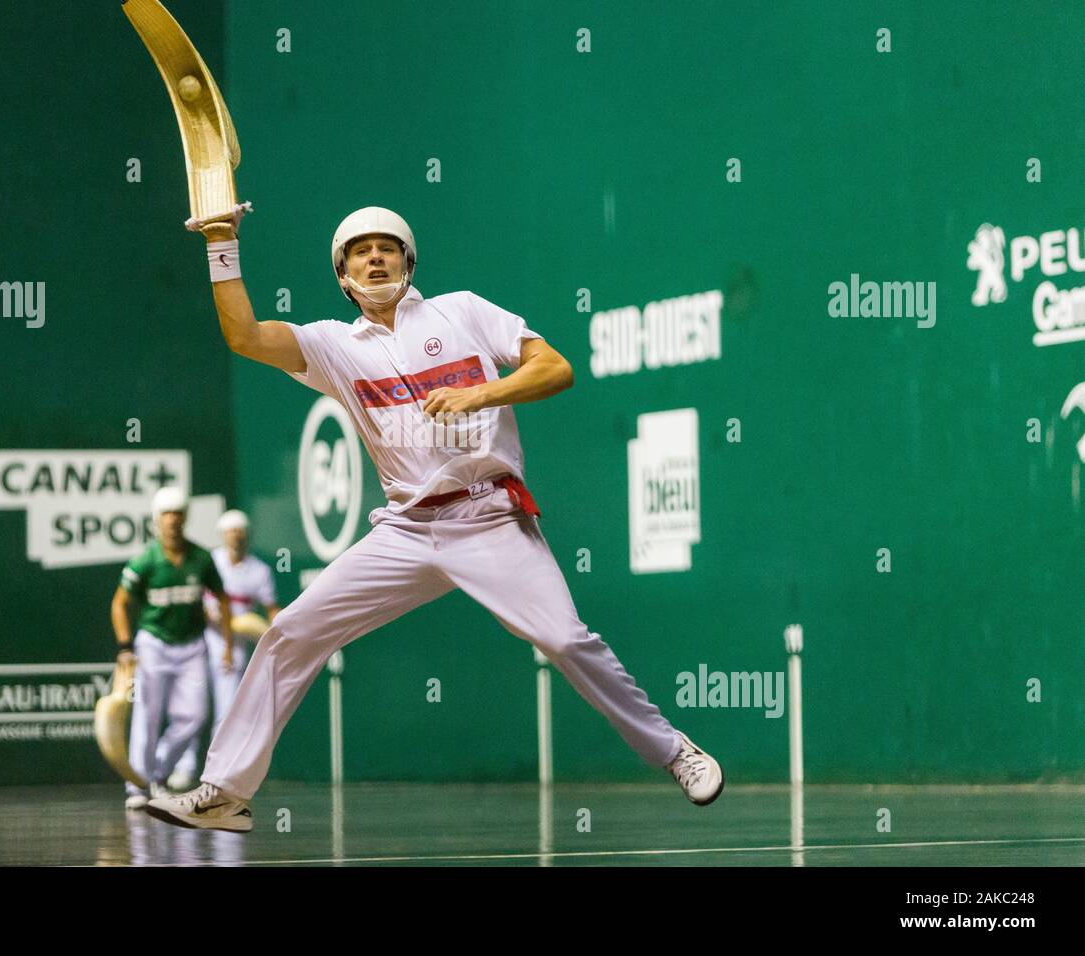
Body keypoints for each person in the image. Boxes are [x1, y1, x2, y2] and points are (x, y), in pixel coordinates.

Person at [145, 205, 723, 831]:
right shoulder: (332, 347)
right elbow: (245, 336)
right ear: (343, 276)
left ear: (408, 261)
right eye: (360, 251)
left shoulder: (464, 311)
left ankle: (674, 751)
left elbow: (556, 368)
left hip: (490, 519)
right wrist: (222, 244)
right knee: (290, 630)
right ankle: (226, 792)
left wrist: (481, 392)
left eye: (387, 248)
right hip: (406, 530)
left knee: (563, 638)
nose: (374, 258)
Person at [111, 486, 231, 810]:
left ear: (185, 518)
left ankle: (159, 773)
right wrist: (125, 646)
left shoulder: (201, 559)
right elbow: (119, 604)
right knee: (147, 717)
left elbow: (222, 599)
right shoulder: (145, 561)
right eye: (166, 515)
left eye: (178, 514)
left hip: (192, 646)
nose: (173, 521)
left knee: (195, 716)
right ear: (156, 520)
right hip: (153, 645)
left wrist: (228, 646)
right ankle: (137, 785)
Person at [167, 508, 281, 791]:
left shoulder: (260, 571)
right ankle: (185, 766)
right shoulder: (210, 561)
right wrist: (207, 612)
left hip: (235, 646)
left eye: (240, 532)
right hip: (199, 639)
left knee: (226, 710)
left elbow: (271, 609)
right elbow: (192, 595)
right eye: (231, 531)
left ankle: (217, 773)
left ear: (247, 536)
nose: (236, 537)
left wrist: (281, 629)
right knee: (191, 707)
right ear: (222, 535)